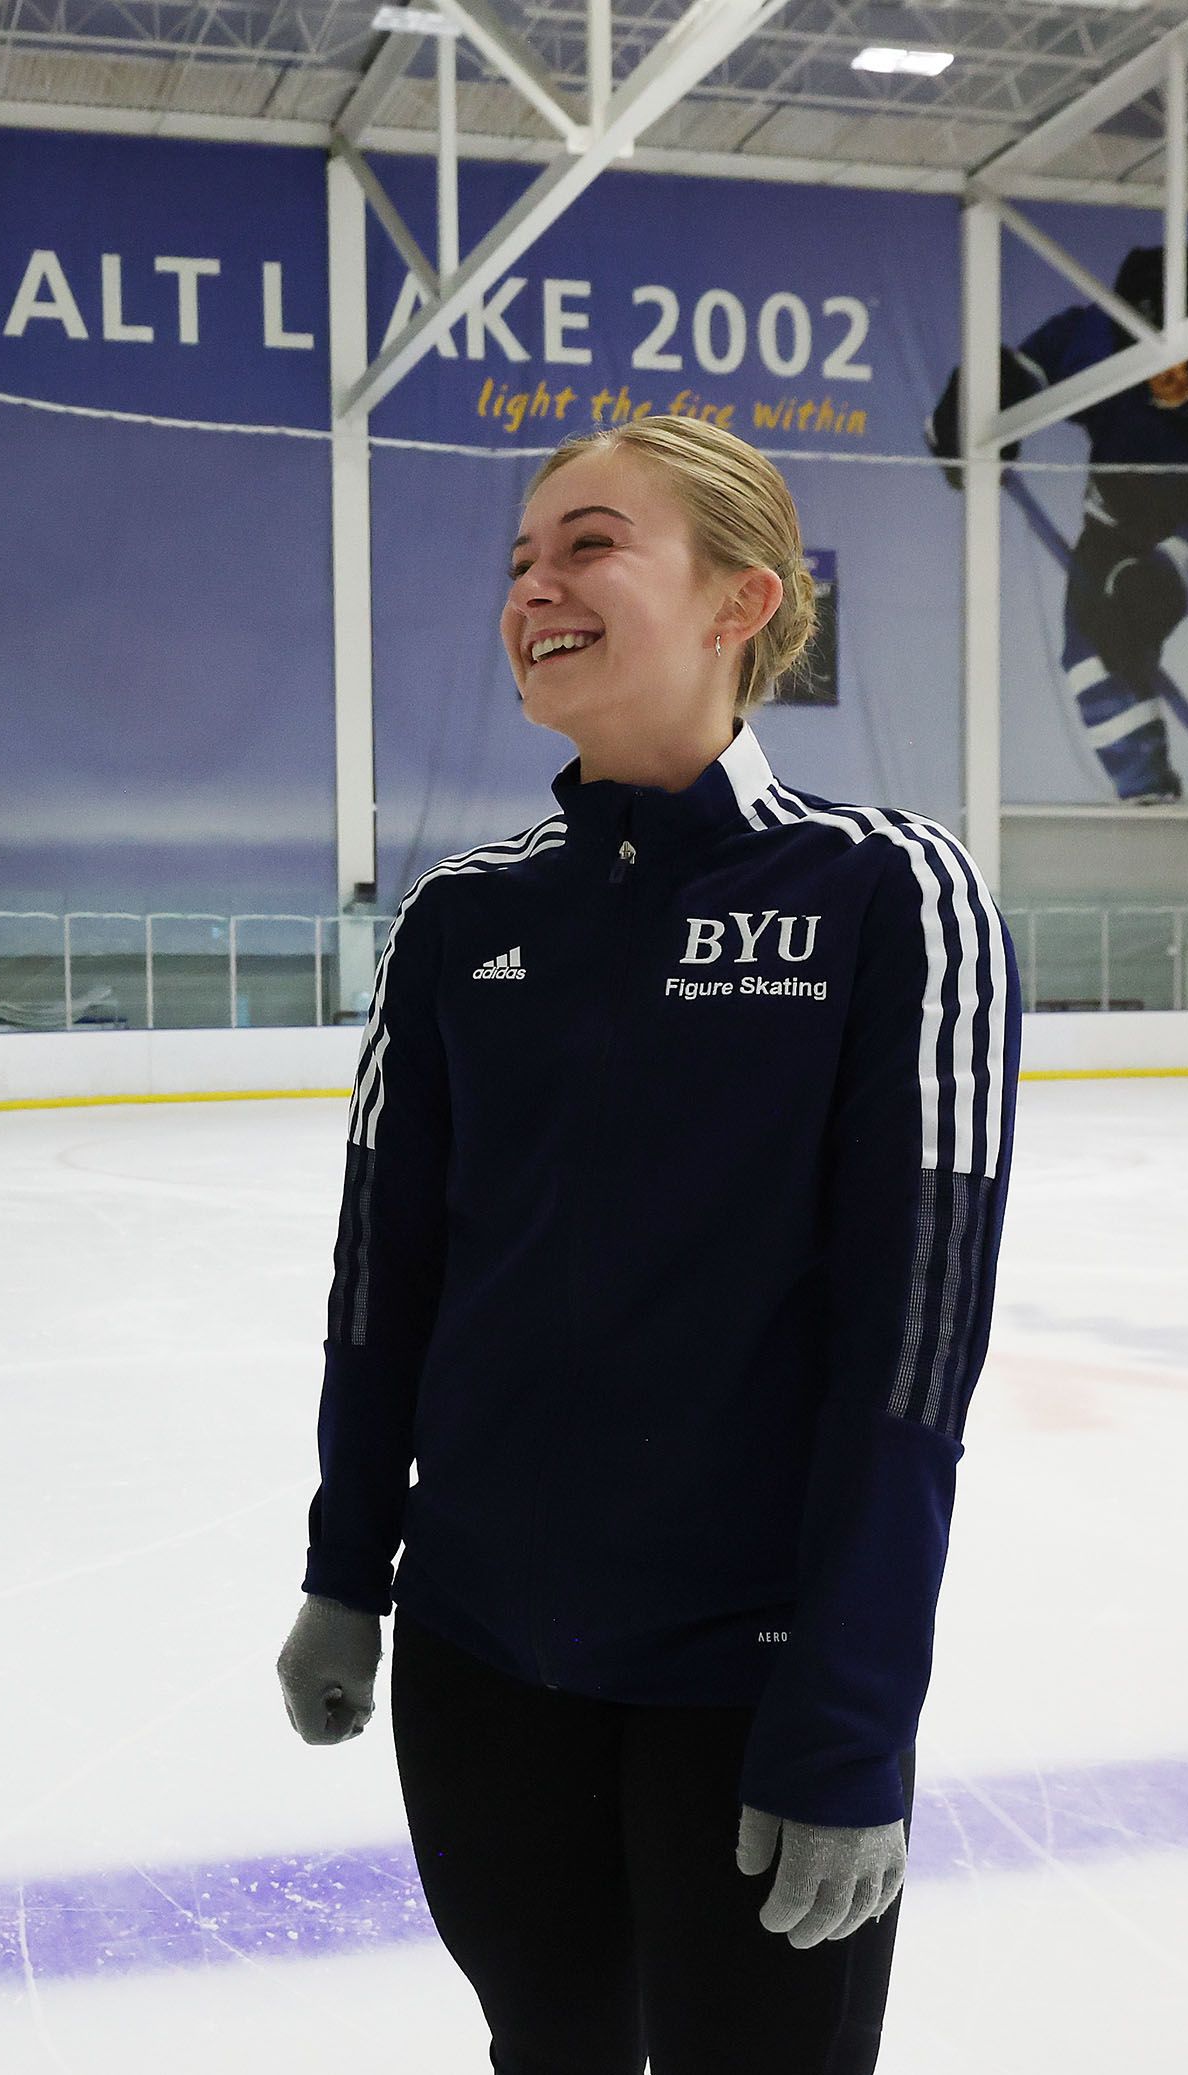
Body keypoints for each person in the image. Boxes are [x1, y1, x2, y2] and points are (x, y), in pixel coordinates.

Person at [276, 415, 1020, 2073]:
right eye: (521, 558)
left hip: (746, 1688)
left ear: (742, 598)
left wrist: (850, 1718)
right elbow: (381, 1286)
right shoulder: (466, 920)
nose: (535, 585)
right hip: (483, 1676)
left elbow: (914, 1358)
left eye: (590, 545)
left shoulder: (889, 897)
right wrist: (347, 1570)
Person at [929, 243, 1188, 803]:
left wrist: (1167, 577)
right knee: (1096, 654)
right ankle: (1149, 799)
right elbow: (1016, 378)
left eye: (1186, 356)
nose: (1169, 376)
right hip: (1121, 524)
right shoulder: (1093, 341)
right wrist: (973, 408)